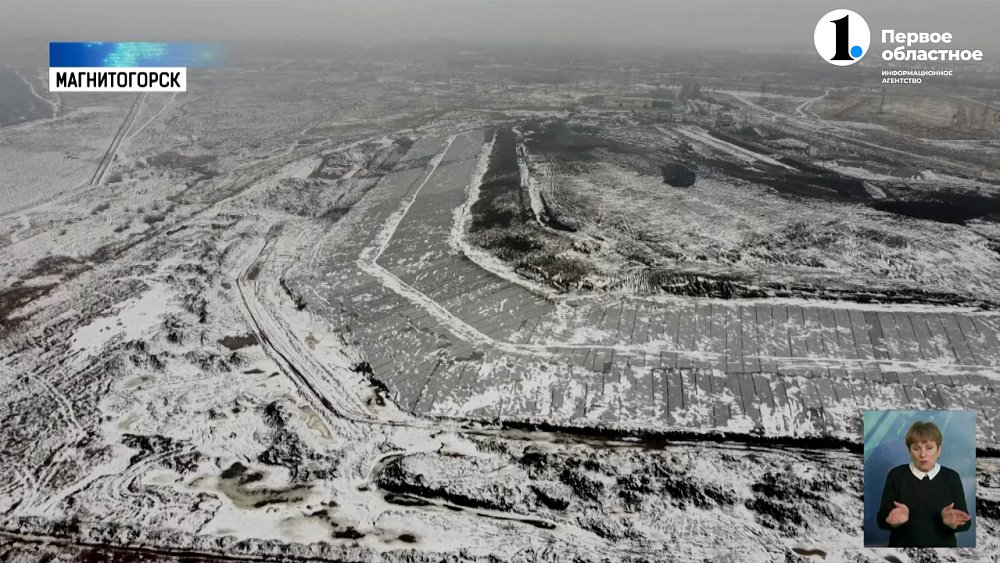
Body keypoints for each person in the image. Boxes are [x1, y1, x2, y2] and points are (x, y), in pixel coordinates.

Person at [876, 420, 972, 547]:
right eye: (916, 448)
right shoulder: (896, 475)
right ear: (909, 451)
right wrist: (893, 519)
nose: (923, 454)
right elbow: (881, 520)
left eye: (929, 448)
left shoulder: (951, 477)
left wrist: (952, 522)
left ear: (939, 450)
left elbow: (966, 523)